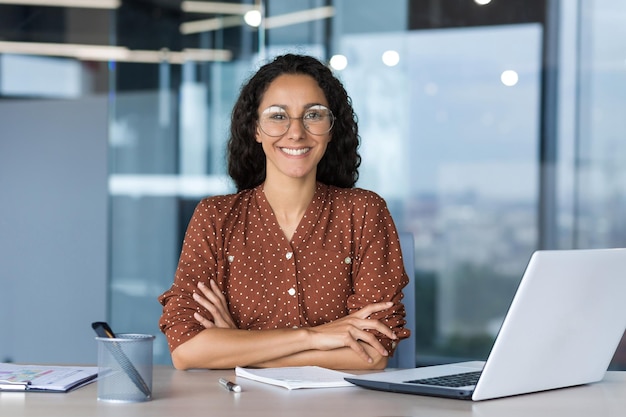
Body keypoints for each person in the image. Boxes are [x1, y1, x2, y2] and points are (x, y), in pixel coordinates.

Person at [158, 54, 410, 371]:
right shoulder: (215, 217)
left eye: (313, 115)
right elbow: (186, 348)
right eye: (278, 116)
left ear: (331, 129)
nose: (296, 132)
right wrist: (312, 337)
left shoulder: (364, 212)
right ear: (255, 129)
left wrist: (237, 345)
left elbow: (373, 354)